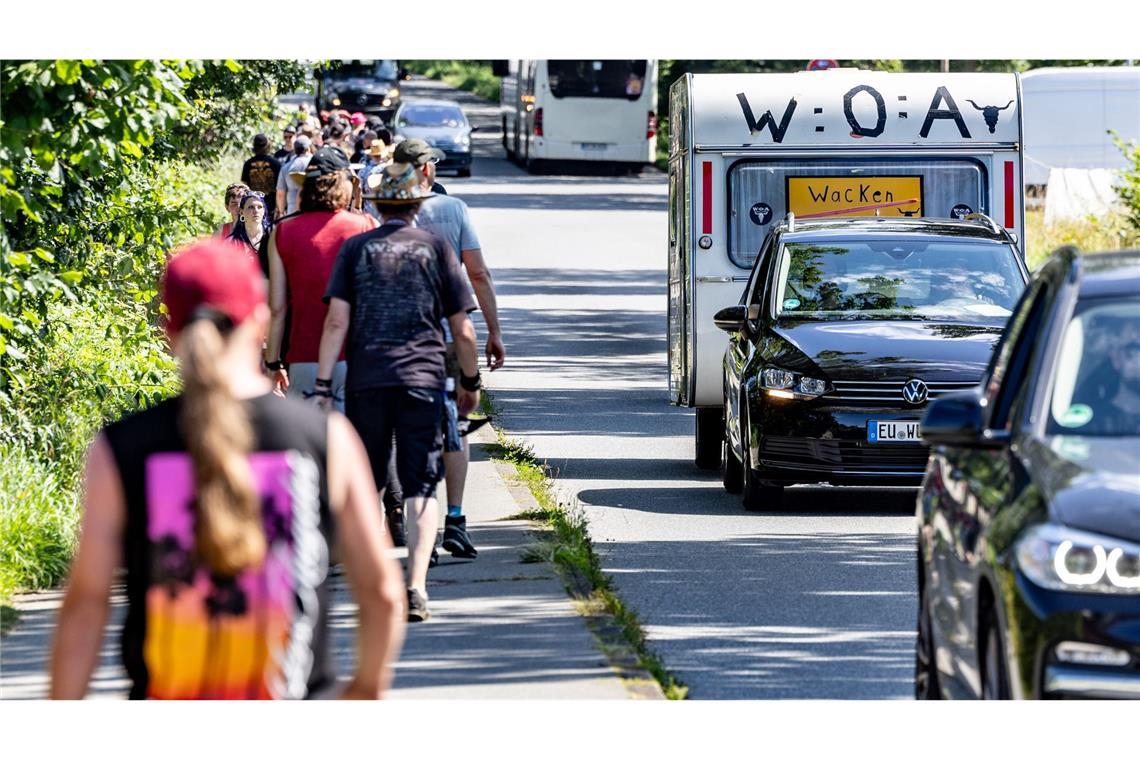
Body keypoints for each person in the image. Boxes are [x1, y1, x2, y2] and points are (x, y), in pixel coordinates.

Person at [49, 239, 405, 700]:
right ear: (260, 321)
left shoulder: (121, 447)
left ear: (167, 329)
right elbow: (381, 594)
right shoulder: (327, 438)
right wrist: (364, 691)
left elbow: (86, 604)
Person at [314, 163, 481, 622]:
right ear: (416, 206)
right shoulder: (436, 249)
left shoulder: (354, 250)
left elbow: (335, 322)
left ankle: (374, 582)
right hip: (424, 382)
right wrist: (470, 382)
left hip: (368, 381)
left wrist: (325, 384)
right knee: (421, 484)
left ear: (378, 205)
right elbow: (462, 329)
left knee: (366, 484)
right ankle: (416, 585)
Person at [393, 138, 507, 559]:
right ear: (425, 169)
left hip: (396, 339)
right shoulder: (453, 209)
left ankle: (413, 526)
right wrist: (493, 331)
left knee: (404, 430)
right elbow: (478, 273)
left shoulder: (378, 210)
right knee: (456, 426)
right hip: (447, 333)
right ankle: (456, 520)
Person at [264, 146, 376, 411]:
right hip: (359, 357)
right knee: (353, 448)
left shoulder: (282, 232)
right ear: (343, 184)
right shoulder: (365, 226)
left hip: (303, 356)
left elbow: (277, 309)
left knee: (306, 449)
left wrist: (272, 362)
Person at [241, 134, 282, 219]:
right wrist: (279, 207)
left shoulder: (248, 164)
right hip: (272, 205)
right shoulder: (275, 163)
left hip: (254, 206)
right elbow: (280, 187)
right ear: (267, 146)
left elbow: (245, 186)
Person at [228, 191, 271, 272]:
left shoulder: (273, 237)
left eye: (260, 207)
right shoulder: (231, 242)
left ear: (264, 211)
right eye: (251, 207)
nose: (256, 211)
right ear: (241, 212)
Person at [276, 135, 313, 219]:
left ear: (295, 150)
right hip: (312, 209)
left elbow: (280, 193)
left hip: (292, 211)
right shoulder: (315, 163)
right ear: (308, 148)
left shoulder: (286, 167)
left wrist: (281, 212)